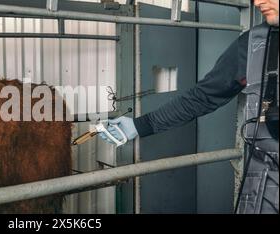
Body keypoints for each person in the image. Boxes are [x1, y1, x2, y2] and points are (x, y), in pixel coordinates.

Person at [99, 0, 278, 214]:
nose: (257, 1)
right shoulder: (255, 44)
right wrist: (140, 125)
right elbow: (203, 96)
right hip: (268, 185)